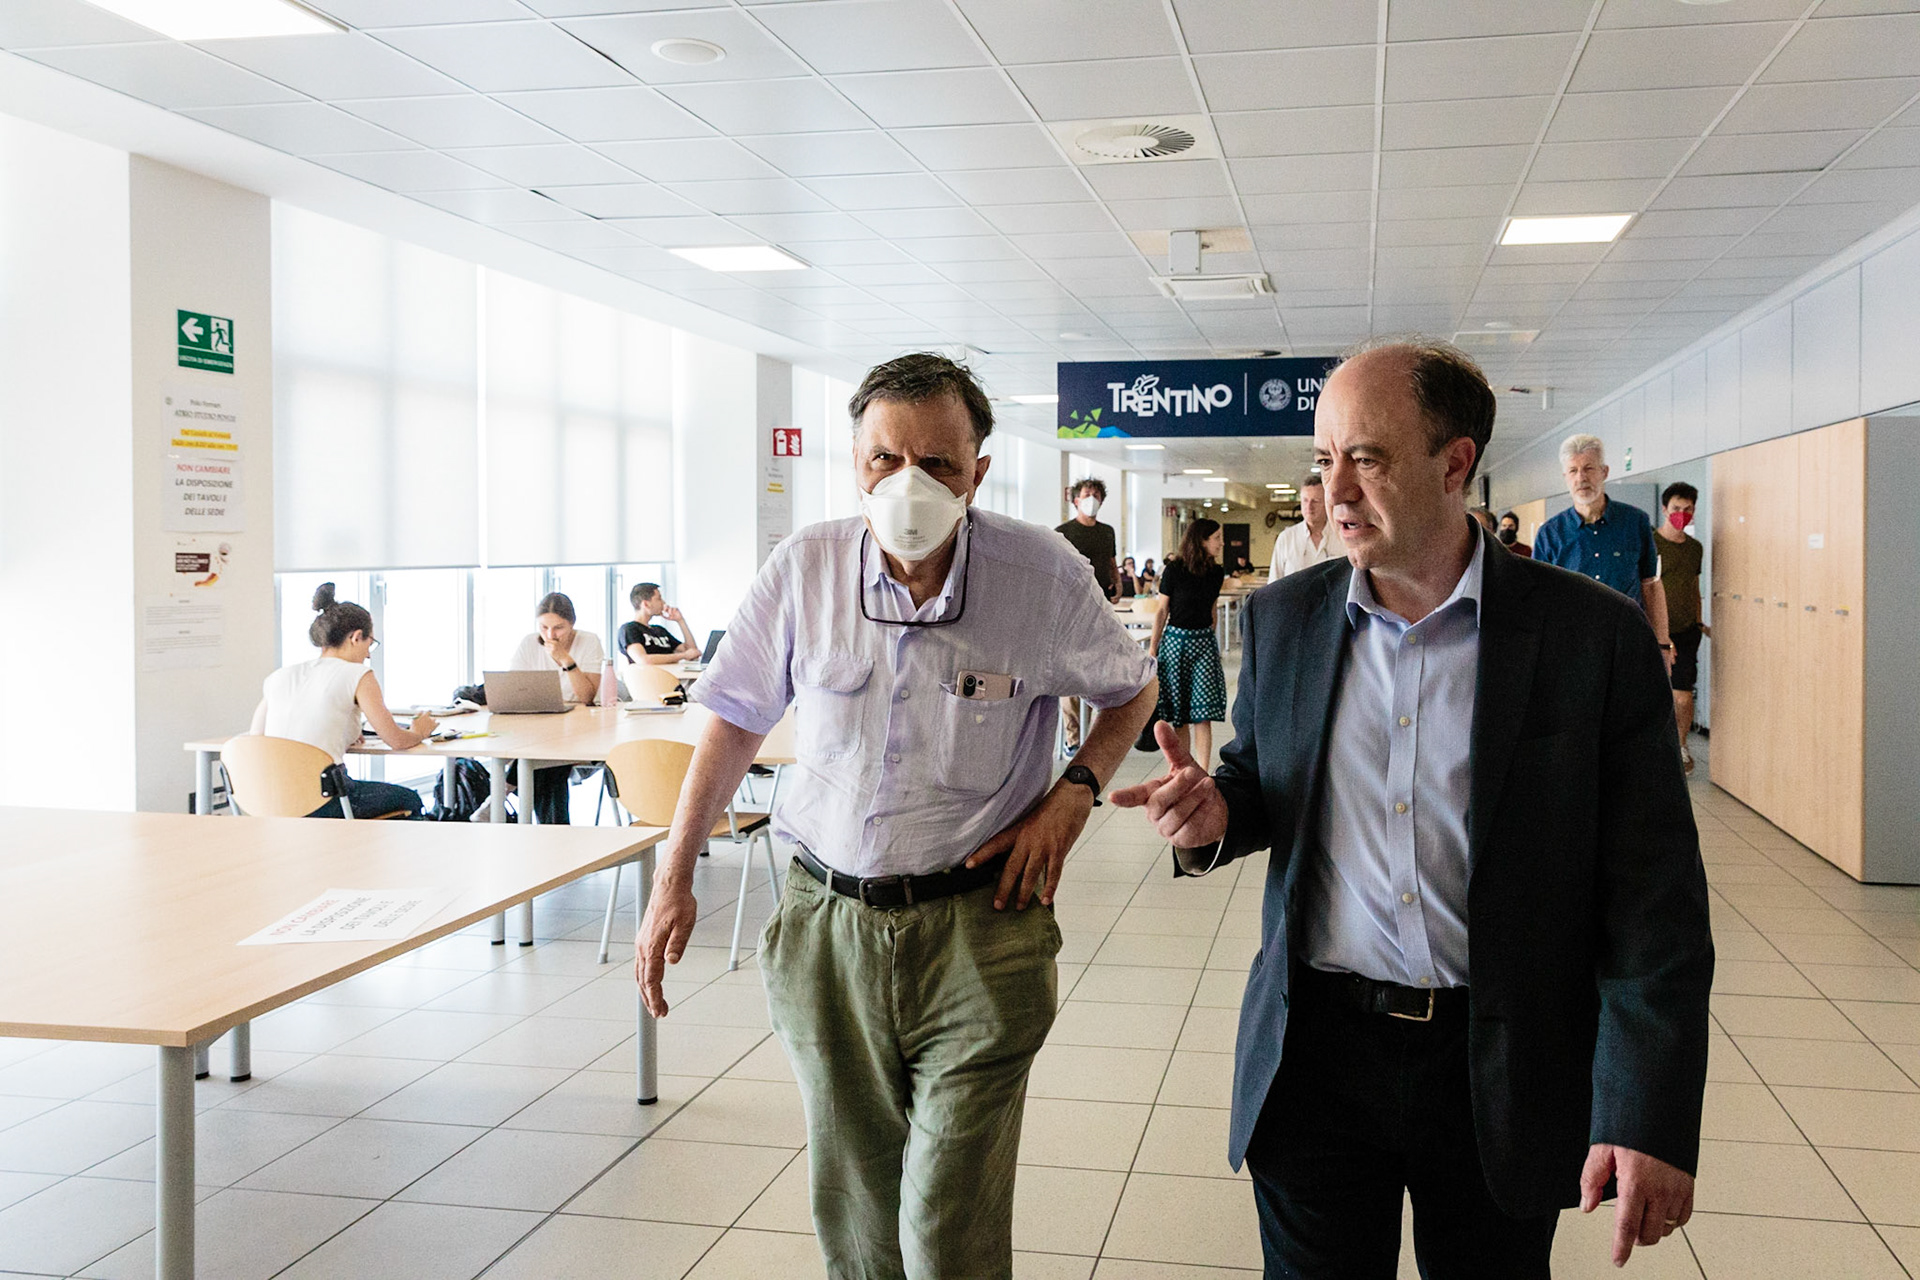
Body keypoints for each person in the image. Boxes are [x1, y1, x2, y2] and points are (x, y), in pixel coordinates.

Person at [1114, 339, 1712, 1278]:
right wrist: (1215, 815)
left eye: (1367, 457)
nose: (1336, 491)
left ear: (1455, 462)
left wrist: (1647, 1111)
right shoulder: (1286, 622)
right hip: (1316, 1056)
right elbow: (1260, 779)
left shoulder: (1590, 638)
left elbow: (1656, 900)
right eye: (1325, 460)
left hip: (1499, 1061)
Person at [635, 352, 1157, 1280]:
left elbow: (1132, 689)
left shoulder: (1040, 576)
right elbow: (735, 721)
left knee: (944, 1227)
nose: (907, 482)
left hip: (980, 928)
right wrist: (674, 874)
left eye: (938, 463)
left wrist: (1074, 793)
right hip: (828, 929)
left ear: (977, 473)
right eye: (885, 458)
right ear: (855, 463)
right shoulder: (804, 568)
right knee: (858, 1217)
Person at [250, 583, 435, 818]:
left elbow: (256, 738)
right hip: (322, 801)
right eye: (370, 644)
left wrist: (345, 734)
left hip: (271, 802)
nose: (368, 654)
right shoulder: (358, 674)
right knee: (410, 799)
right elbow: (396, 740)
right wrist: (419, 732)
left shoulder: (280, 676)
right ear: (356, 637)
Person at [1532, 435, 1675, 673]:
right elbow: (1538, 600)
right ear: (1565, 477)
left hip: (1628, 645)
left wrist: (1662, 645)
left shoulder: (1635, 522)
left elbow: (1650, 585)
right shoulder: (1550, 534)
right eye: (1573, 470)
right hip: (1572, 650)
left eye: (1589, 468)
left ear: (1604, 472)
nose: (1581, 478)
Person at [506, 591, 605, 823]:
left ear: (572, 624)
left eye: (559, 628)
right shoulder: (529, 643)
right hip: (540, 726)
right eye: (544, 627)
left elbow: (587, 696)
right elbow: (514, 689)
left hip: (583, 731)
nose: (550, 635)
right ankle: (555, 831)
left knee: (545, 756)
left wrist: (566, 660)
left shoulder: (589, 641)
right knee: (543, 755)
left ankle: (500, 795)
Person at [1151, 517, 1228, 771]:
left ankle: (1202, 771)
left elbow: (1212, 609)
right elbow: (1162, 610)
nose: (1221, 543)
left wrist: (1211, 641)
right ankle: (1181, 770)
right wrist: (1153, 647)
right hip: (1176, 643)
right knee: (1180, 714)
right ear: (1201, 540)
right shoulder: (1174, 569)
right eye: (1217, 538)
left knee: (1203, 713)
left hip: (1203, 643)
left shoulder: (1216, 572)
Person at [1056, 476, 1122, 751]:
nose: (1091, 499)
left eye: (1096, 494)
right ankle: (1073, 737)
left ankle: (1095, 734)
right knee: (1071, 672)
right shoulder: (1064, 532)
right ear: (1075, 500)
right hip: (1072, 609)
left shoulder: (1107, 532)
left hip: (1102, 605)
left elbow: (1111, 562)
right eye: (1086, 494)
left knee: (1099, 671)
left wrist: (1117, 583)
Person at [1655, 482, 1708, 776]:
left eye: (1688, 509)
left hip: (1687, 631)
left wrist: (1699, 622)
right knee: (1654, 692)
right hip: (1656, 630)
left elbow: (1693, 586)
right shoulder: (1651, 542)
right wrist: (1660, 634)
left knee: (1682, 696)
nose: (1682, 514)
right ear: (1665, 509)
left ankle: (1681, 746)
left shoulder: (1694, 549)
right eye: (1676, 508)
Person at [1267, 474, 1344, 581]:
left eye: (1315, 501)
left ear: (1327, 503)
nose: (1309, 507)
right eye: (1305, 500)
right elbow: (1274, 582)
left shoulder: (1342, 535)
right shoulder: (1286, 538)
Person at [619, 582, 699, 665]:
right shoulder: (630, 629)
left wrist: (680, 621)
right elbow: (644, 660)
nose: (663, 603)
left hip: (672, 673)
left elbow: (692, 652)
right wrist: (683, 655)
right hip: (651, 673)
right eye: (659, 599)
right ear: (646, 604)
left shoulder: (660, 630)